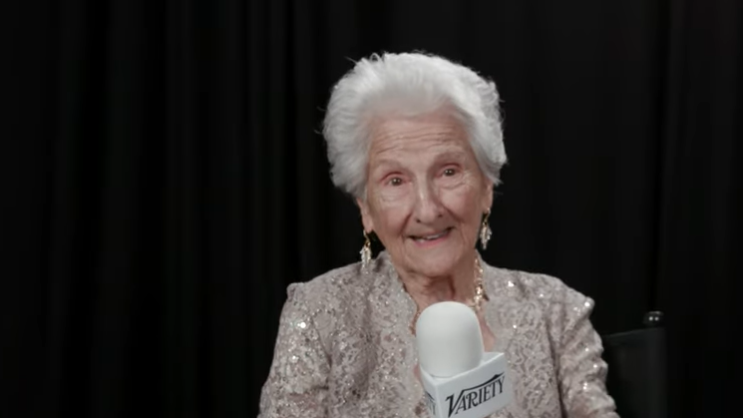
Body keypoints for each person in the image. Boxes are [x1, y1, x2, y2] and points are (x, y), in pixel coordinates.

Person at [258, 52, 619, 418]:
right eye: (395, 180)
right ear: (365, 208)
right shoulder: (319, 314)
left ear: (487, 186)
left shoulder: (555, 312)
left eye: (448, 171)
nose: (428, 210)